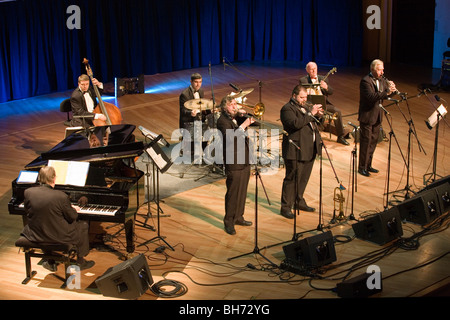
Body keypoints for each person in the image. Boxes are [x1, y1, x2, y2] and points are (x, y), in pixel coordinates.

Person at [20, 166, 95, 271]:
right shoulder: (60, 196)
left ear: (39, 178)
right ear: (54, 178)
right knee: (83, 225)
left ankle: (50, 261)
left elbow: (28, 211)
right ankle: (80, 261)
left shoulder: (28, 192)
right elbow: (72, 217)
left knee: (45, 223)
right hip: (58, 236)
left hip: (36, 233)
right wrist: (71, 208)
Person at [280, 85, 323, 219]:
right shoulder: (287, 109)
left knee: (303, 178)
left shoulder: (304, 107)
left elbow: (314, 123)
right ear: (294, 96)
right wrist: (311, 114)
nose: (304, 100)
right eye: (301, 97)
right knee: (291, 178)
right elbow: (296, 124)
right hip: (295, 149)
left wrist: (319, 117)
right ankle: (285, 207)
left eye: (305, 97)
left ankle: (298, 201)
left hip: (309, 148)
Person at [216, 95, 254, 235]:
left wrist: (245, 117)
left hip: (244, 159)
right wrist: (243, 125)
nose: (235, 106)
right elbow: (230, 139)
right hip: (233, 162)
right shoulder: (222, 121)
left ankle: (239, 216)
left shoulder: (235, 117)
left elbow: (254, 123)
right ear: (225, 107)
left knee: (242, 190)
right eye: (231, 104)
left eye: (235, 104)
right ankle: (229, 222)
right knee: (233, 193)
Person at [358, 59, 397, 177]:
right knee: (366, 142)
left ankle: (368, 165)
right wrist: (387, 92)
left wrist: (393, 91)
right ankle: (361, 167)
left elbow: (386, 95)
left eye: (383, 69)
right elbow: (371, 97)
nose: (382, 72)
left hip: (377, 116)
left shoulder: (382, 80)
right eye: (380, 70)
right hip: (367, 116)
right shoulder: (365, 81)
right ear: (373, 70)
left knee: (374, 142)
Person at [299, 62, 349, 145]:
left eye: (315, 68)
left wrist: (326, 87)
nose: (314, 70)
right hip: (311, 105)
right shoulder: (303, 80)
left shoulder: (323, 78)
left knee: (337, 111)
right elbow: (301, 93)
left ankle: (340, 137)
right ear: (307, 70)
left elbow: (331, 91)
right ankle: (310, 135)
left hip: (324, 104)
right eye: (311, 69)